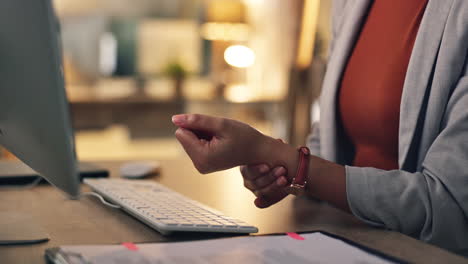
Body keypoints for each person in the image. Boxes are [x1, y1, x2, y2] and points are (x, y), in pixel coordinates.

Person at [172, 0, 468, 256]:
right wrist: (279, 168)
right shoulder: (351, 5)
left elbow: (449, 209)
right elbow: (327, 145)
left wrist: (284, 158)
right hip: (343, 239)